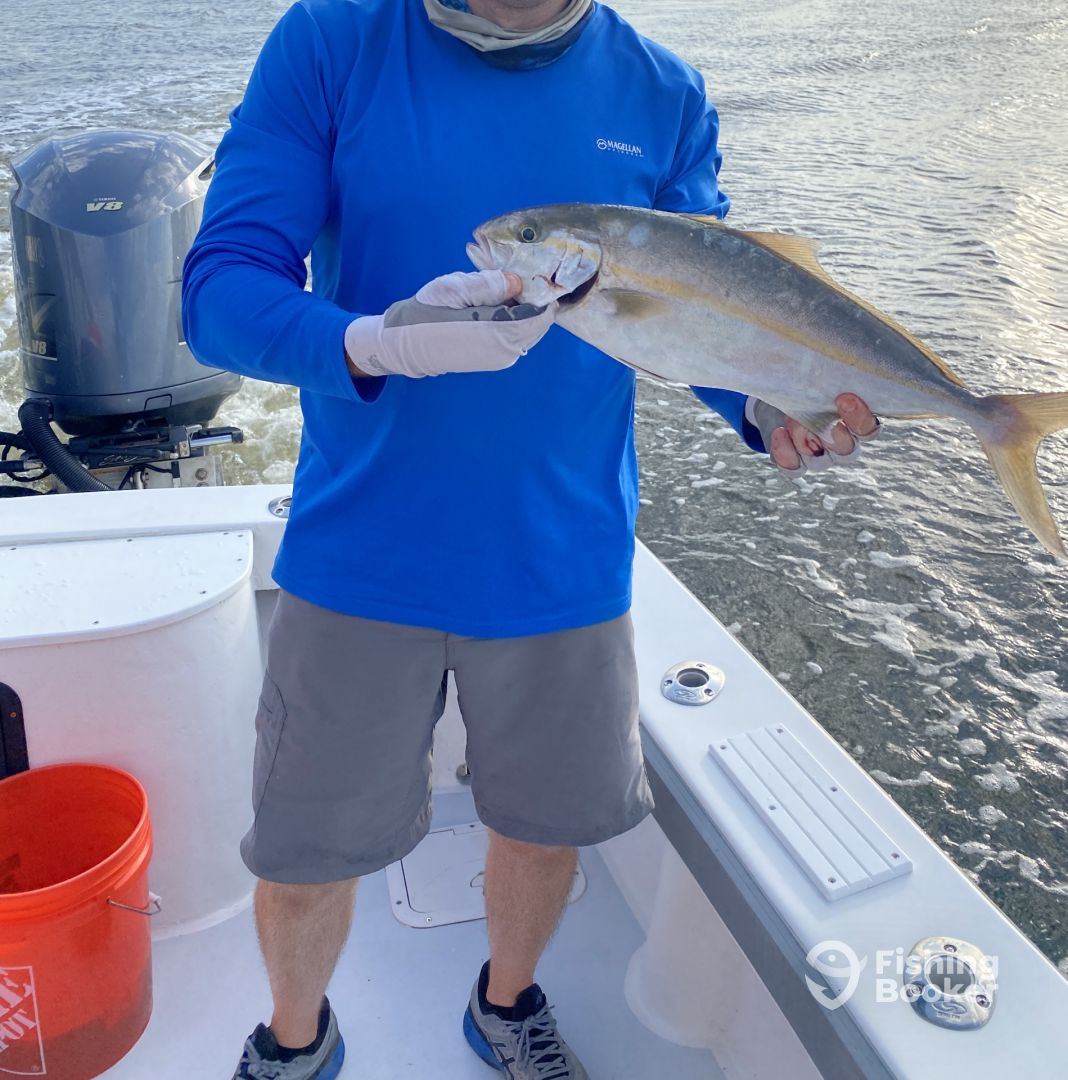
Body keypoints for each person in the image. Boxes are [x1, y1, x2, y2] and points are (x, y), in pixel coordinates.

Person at [182, 1, 880, 1077]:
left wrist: (763, 405)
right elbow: (220, 293)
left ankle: (506, 1006)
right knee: (306, 847)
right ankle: (293, 1038)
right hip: (360, 552)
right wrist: (374, 342)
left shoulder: (664, 92)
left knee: (544, 827)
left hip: (565, 553)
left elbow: (703, 314)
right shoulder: (330, 40)